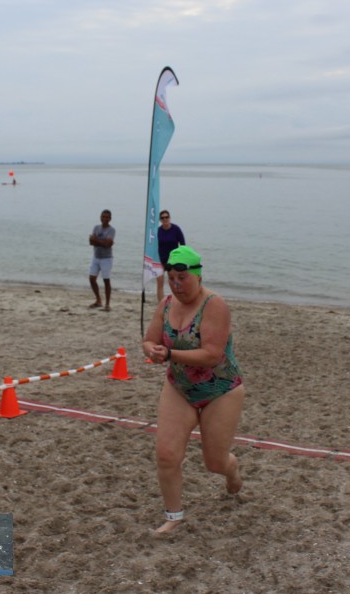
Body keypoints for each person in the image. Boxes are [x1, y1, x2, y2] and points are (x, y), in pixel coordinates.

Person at [141, 245, 244, 533]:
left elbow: (211, 355)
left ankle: (232, 471)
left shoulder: (215, 305)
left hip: (220, 390)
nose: (176, 285)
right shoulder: (166, 305)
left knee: (215, 463)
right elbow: (148, 340)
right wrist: (152, 350)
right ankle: (173, 517)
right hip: (180, 388)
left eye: (182, 278)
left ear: (198, 275)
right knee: (166, 455)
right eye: (172, 278)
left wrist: (169, 354)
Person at [155, 210, 186, 303]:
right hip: (160, 261)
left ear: (169, 218)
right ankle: (161, 304)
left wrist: (180, 259)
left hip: (173, 261)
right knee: (160, 283)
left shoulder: (176, 229)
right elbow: (153, 246)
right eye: (162, 218)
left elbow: (183, 245)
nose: (165, 219)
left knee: (175, 283)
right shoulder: (158, 231)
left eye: (166, 217)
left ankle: (177, 303)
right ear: (160, 220)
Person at [88, 209, 115, 311]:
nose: (105, 219)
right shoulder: (96, 227)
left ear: (110, 219)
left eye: (107, 217)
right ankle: (98, 300)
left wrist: (96, 240)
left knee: (106, 280)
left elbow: (107, 245)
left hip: (106, 258)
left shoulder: (111, 230)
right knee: (92, 279)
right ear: (100, 217)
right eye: (103, 217)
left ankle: (107, 304)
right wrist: (103, 242)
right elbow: (91, 242)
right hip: (96, 257)